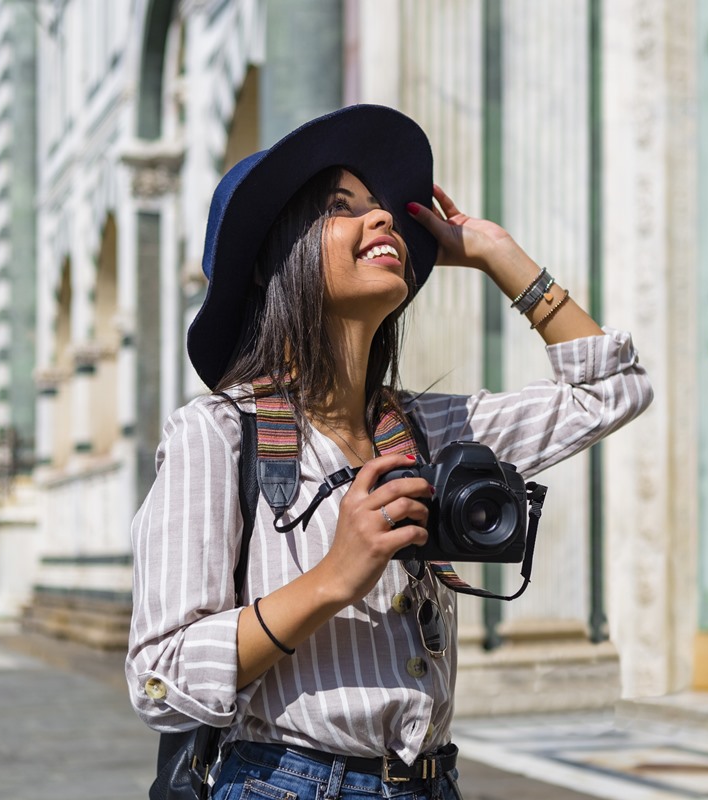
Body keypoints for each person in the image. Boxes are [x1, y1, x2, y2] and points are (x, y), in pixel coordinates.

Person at [127, 104, 652, 800]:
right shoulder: (219, 434)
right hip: (286, 783)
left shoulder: (431, 430)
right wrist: (334, 578)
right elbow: (160, 677)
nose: (383, 222)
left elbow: (613, 390)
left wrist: (501, 257)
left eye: (383, 210)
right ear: (269, 261)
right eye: (342, 208)